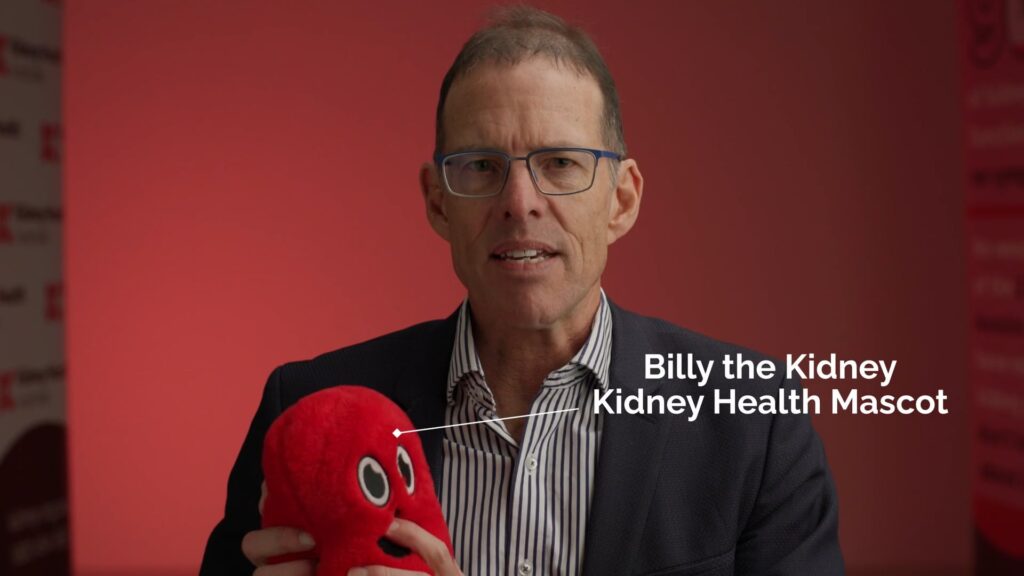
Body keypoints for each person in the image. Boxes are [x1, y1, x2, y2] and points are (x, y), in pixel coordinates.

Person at [200, 6, 844, 576]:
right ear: (436, 201)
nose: (519, 203)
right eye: (482, 166)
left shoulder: (752, 420)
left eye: (560, 163)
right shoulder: (309, 411)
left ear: (621, 200)